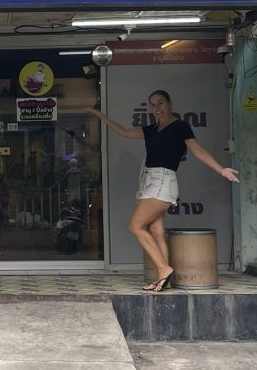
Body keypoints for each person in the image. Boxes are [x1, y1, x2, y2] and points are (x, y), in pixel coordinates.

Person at [85, 90, 239, 292]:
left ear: (169, 104)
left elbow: (197, 150)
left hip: (163, 181)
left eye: (160, 103)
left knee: (135, 226)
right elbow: (124, 132)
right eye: (152, 104)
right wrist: (99, 115)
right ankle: (164, 280)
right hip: (149, 181)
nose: (156, 108)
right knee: (157, 231)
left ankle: (164, 268)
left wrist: (221, 170)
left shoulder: (180, 126)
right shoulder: (152, 129)